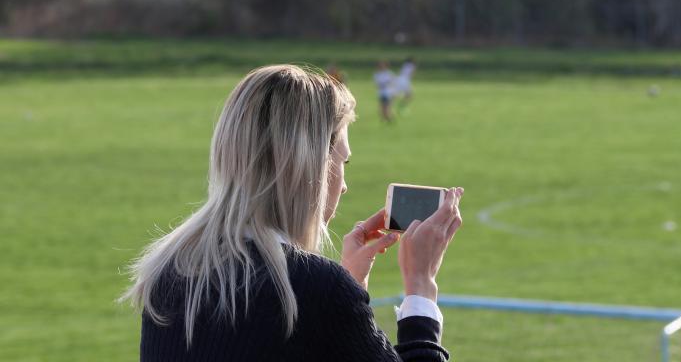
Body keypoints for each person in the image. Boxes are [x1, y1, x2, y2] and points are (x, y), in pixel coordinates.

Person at [120, 65, 463, 361]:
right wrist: (420, 285)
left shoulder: (170, 273)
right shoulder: (314, 290)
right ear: (311, 166)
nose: (344, 185)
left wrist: (351, 286)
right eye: (344, 161)